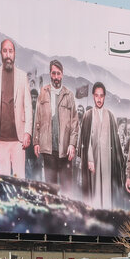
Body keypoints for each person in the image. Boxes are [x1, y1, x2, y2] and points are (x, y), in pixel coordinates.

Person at [0, 38, 31, 178]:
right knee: (2, 179)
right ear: (0, 53)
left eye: (11, 51)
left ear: (14, 54)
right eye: (5, 51)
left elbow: (28, 106)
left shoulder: (22, 75)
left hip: (18, 139)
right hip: (0, 138)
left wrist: (28, 132)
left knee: (19, 179)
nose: (8, 55)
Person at [33, 60, 78, 191]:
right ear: (50, 74)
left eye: (58, 74)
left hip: (65, 151)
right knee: (50, 188)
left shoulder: (69, 95)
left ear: (62, 75)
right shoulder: (43, 92)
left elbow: (75, 122)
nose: (56, 77)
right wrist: (36, 141)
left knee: (66, 189)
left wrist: (72, 144)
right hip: (48, 150)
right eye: (54, 73)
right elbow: (38, 118)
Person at [78, 82, 123, 209]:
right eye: (96, 96)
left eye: (101, 96)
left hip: (108, 163)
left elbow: (116, 143)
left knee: (107, 195)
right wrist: (90, 159)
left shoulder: (110, 116)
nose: (99, 99)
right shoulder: (88, 115)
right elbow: (84, 142)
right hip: (93, 162)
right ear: (93, 96)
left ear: (104, 97)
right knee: (94, 194)